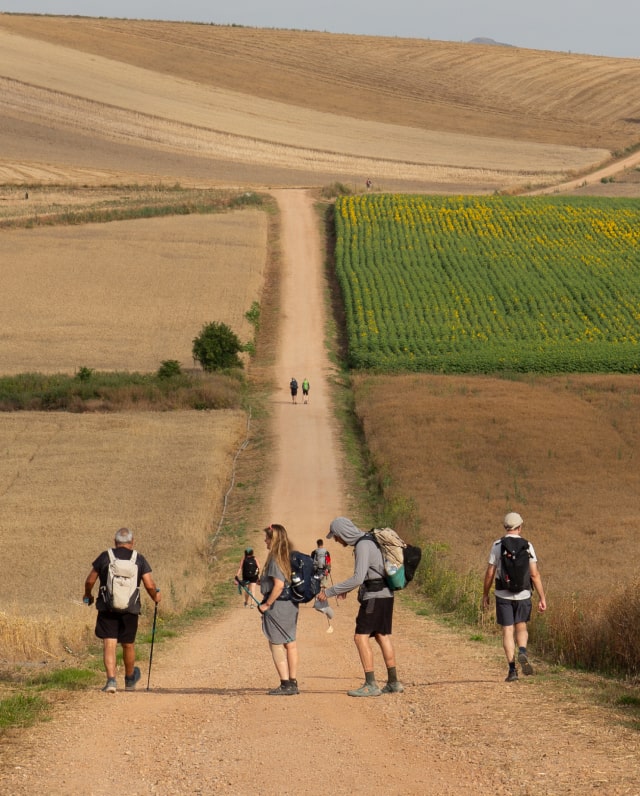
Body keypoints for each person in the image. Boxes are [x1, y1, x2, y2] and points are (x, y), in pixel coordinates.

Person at [317, 516, 403, 697]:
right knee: (382, 635)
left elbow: (357, 577)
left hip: (374, 597)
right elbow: (366, 574)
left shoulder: (363, 545)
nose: (337, 540)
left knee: (360, 637)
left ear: (343, 533)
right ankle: (393, 682)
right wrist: (349, 589)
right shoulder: (370, 539)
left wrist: (330, 591)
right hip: (386, 594)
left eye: (337, 536)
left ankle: (371, 684)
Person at [83, 527, 161, 693]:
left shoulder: (106, 557)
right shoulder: (138, 559)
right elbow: (149, 584)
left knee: (109, 644)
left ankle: (111, 681)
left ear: (115, 542)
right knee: (128, 644)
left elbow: (90, 580)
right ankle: (130, 680)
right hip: (130, 608)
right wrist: (156, 597)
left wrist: (87, 595)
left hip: (107, 607)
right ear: (132, 542)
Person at [482, 512, 547, 682]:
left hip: (503, 593)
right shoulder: (527, 545)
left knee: (507, 630)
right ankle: (523, 651)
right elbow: (534, 574)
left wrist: (485, 594)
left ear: (505, 527)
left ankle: (512, 670)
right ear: (520, 527)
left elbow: (490, 573)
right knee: (521, 627)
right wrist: (542, 597)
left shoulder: (497, 545)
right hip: (523, 593)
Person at [258, 523, 300, 695]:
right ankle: (293, 682)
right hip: (291, 604)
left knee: (276, 642)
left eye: (267, 538)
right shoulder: (287, 556)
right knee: (290, 643)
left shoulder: (275, 558)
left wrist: (266, 604)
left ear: (273, 539)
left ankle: (285, 684)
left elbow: (279, 585)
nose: (265, 540)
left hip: (278, 606)